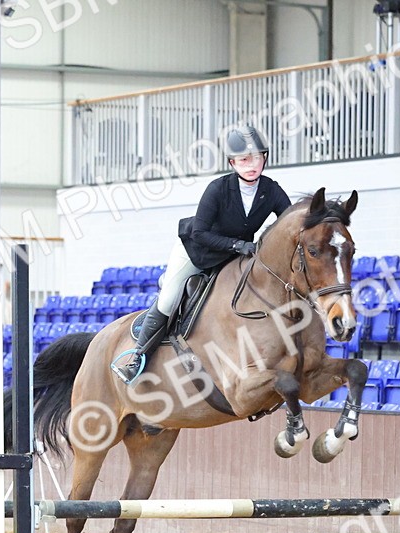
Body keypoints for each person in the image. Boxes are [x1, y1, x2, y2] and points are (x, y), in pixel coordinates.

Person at [111, 124, 293, 383]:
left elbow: (288, 223)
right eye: (243, 159)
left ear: (265, 158)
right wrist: (238, 245)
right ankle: (137, 357)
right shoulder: (218, 189)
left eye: (256, 157)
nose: (251, 164)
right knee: (168, 300)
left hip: (234, 259)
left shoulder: (271, 190)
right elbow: (200, 233)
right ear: (232, 162)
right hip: (197, 253)